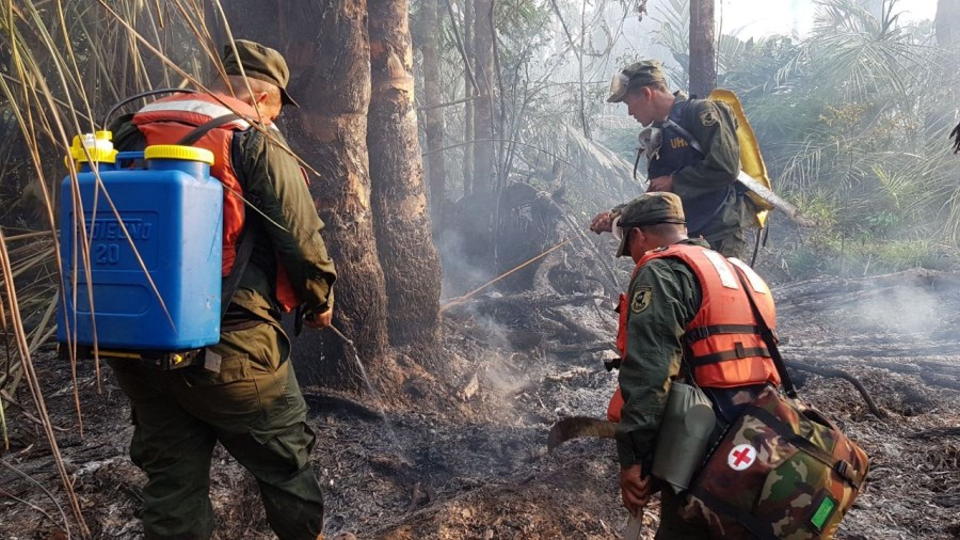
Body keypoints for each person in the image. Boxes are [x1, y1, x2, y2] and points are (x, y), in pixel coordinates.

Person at [108, 39, 336, 540]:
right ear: (265, 96)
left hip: (135, 338)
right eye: (277, 108)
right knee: (284, 460)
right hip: (228, 338)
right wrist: (319, 300)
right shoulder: (251, 137)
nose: (275, 116)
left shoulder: (132, 126)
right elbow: (300, 235)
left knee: (171, 477)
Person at [611, 192, 780, 538]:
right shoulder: (737, 271)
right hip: (763, 427)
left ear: (638, 235)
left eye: (629, 249)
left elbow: (650, 372)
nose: (633, 258)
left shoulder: (662, 271)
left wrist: (635, 458)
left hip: (703, 435)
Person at [591, 60, 751, 258]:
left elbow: (726, 167)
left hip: (719, 233)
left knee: (717, 280)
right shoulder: (658, 136)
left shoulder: (701, 112)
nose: (630, 112)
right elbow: (659, 195)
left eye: (628, 103)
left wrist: (675, 181)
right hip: (684, 238)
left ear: (646, 93)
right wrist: (619, 215)